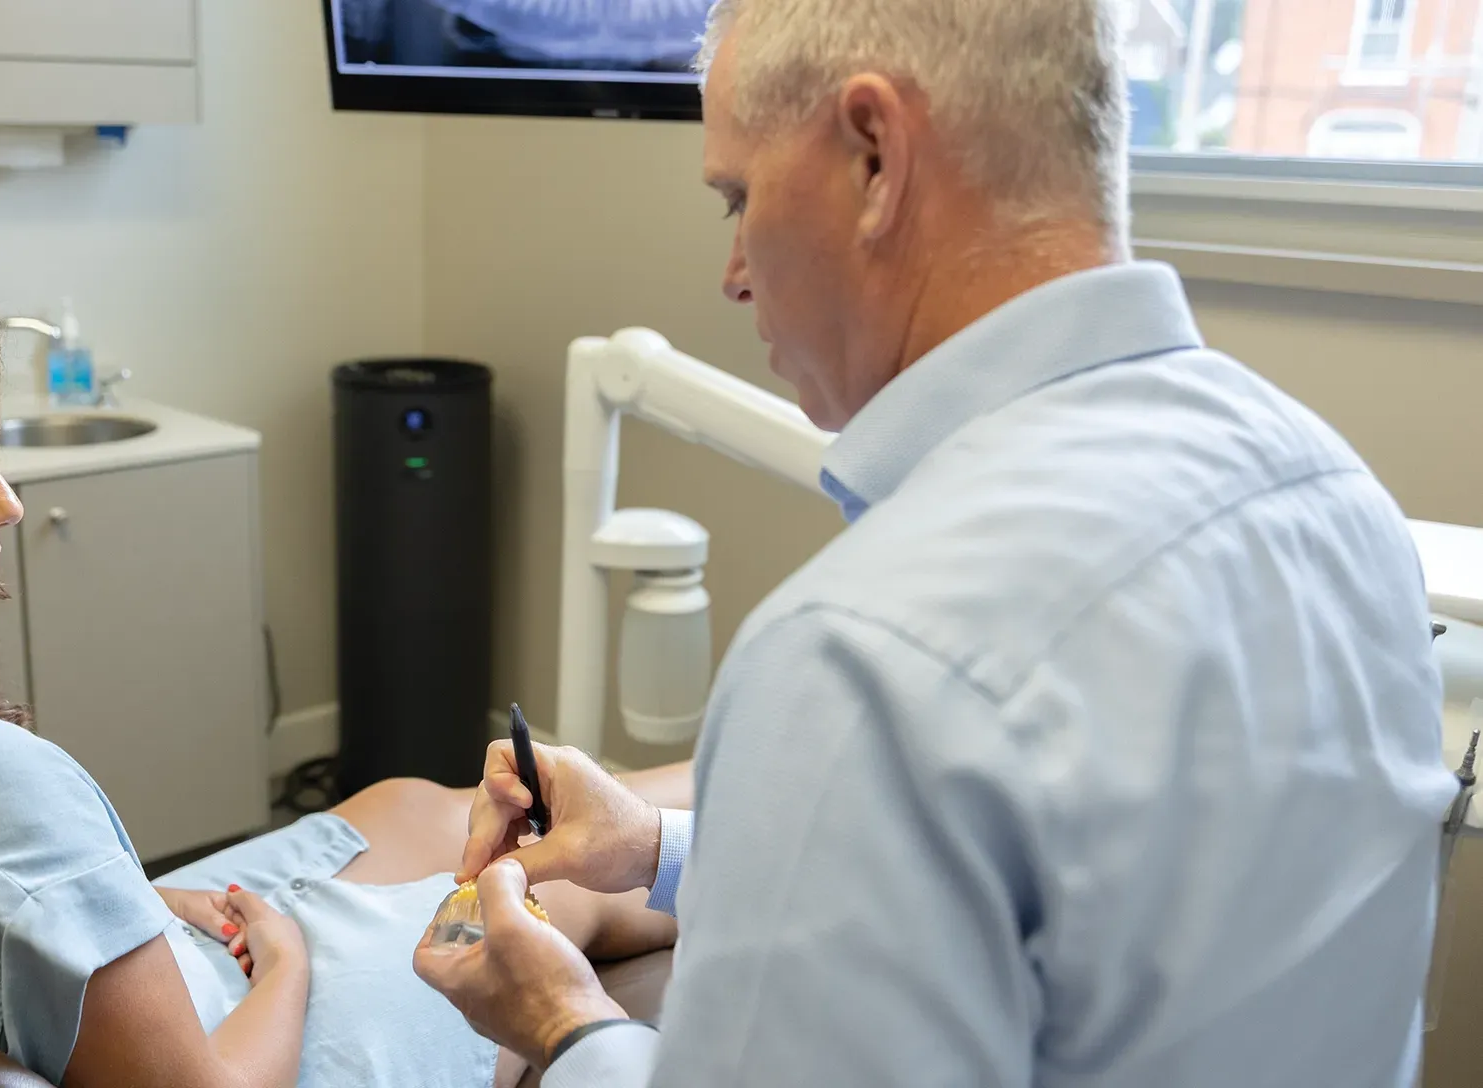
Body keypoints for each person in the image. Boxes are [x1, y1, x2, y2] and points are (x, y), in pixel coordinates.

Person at [414, 1, 1456, 1085]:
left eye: (739, 197)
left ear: (874, 156)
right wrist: (657, 845)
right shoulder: (1339, 500)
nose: (733, 270)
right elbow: (1091, 933)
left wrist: (564, 1027)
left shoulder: (865, 652)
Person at [0, 221, 686, 1088]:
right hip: (282, 1039)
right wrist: (287, 964)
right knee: (545, 884)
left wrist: (122, 914)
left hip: (180, 973)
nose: (4, 502)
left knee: (412, 803)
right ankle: (744, 832)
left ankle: (678, 818)